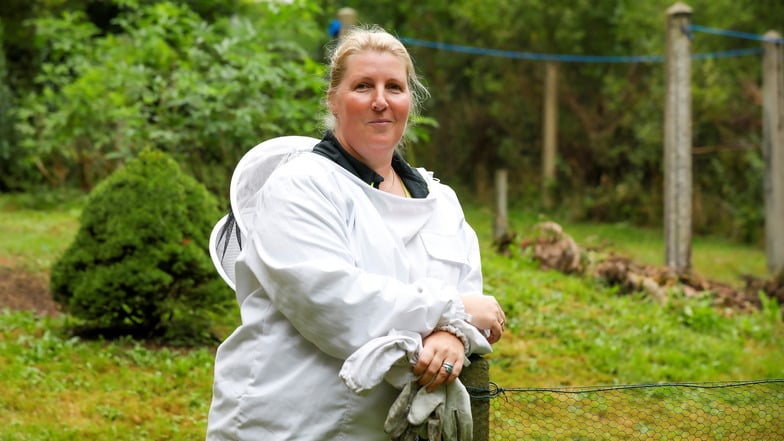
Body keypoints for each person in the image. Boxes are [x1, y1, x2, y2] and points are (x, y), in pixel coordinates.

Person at [206, 25, 506, 440]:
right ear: (334, 99)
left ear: (410, 101)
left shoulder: (443, 201)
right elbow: (335, 302)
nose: (380, 101)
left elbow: (467, 302)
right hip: (288, 423)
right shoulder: (300, 184)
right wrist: (453, 311)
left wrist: (454, 338)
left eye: (394, 87)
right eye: (363, 86)